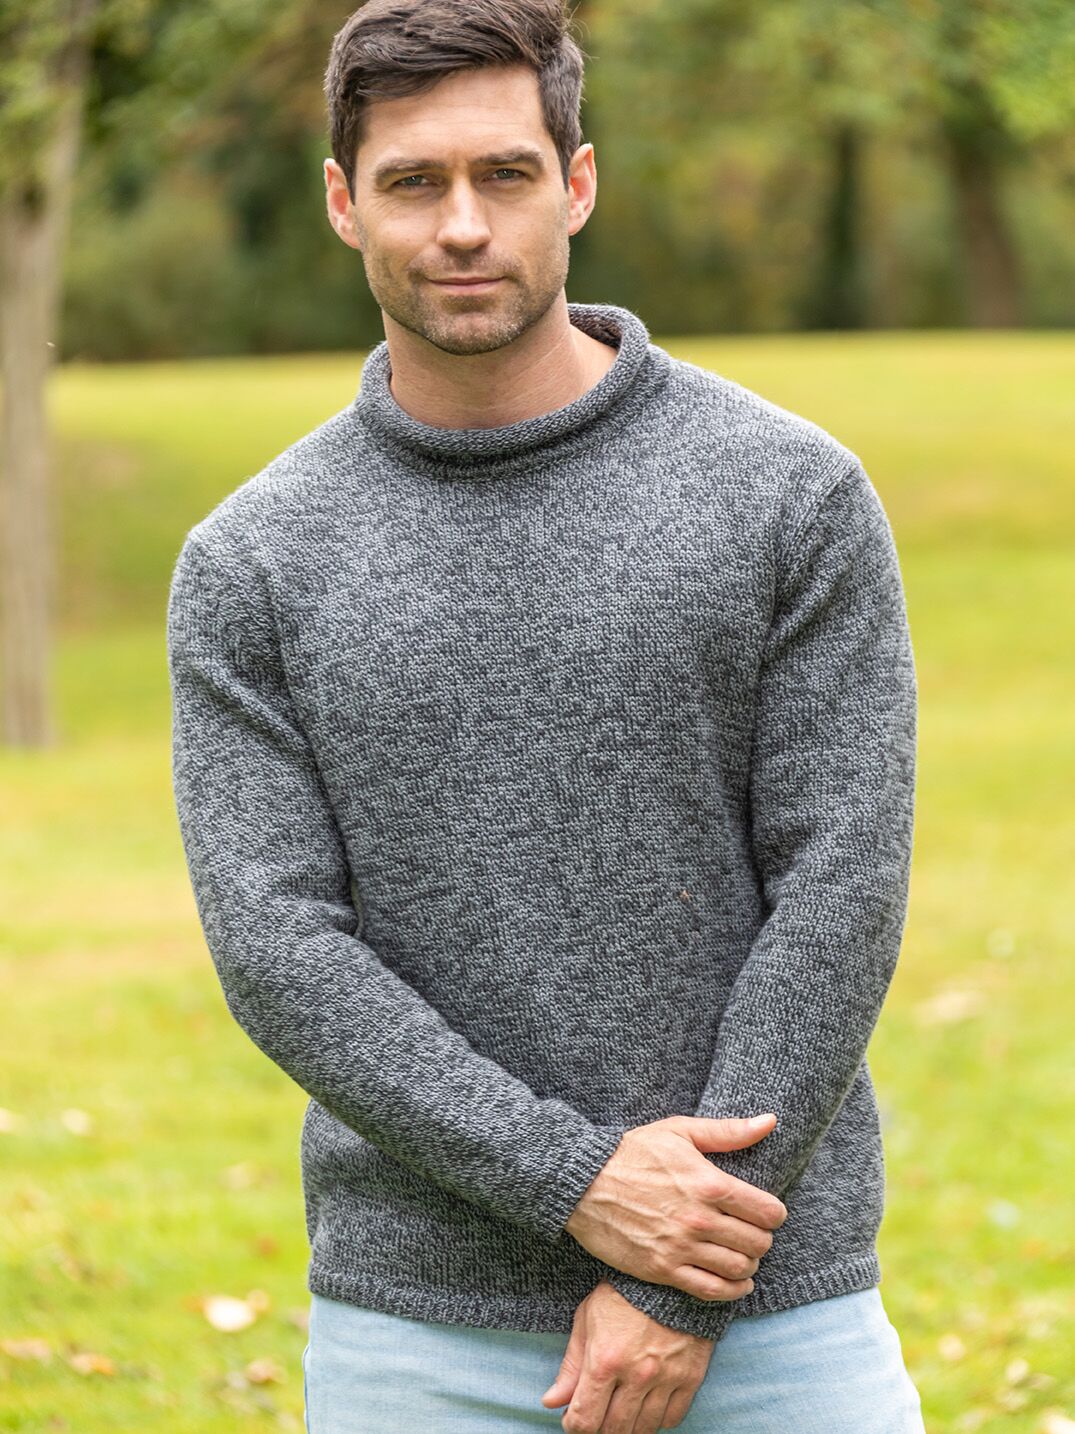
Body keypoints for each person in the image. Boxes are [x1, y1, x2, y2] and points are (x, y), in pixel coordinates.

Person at [165, 0, 926, 1430]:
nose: (463, 225)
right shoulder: (252, 563)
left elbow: (841, 889)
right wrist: (577, 1182)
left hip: (774, 1307)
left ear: (575, 184)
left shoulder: (790, 496)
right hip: (421, 1333)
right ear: (343, 202)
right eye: (413, 181)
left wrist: (678, 1279)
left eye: (504, 174)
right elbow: (279, 949)